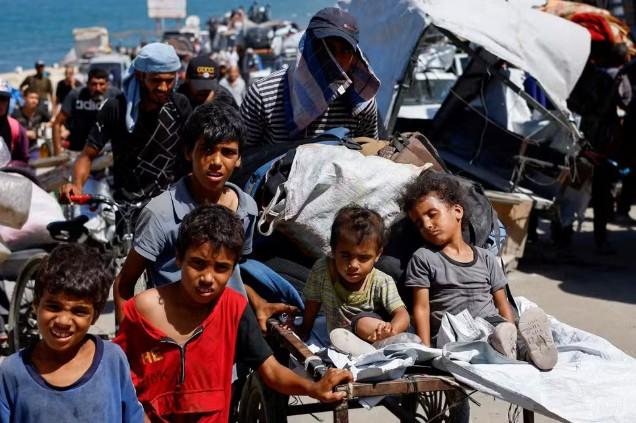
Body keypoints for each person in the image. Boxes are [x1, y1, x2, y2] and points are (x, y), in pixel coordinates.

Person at [114, 205, 352, 421]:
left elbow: (270, 371)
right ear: (179, 258)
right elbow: (116, 379)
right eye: (198, 264)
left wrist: (313, 388)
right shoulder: (142, 310)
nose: (207, 278)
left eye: (221, 268)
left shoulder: (234, 308)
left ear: (234, 268)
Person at [400, 171, 557, 371]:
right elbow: (421, 308)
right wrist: (426, 347)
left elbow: (502, 303)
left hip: (492, 323)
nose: (427, 225)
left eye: (432, 214)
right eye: (419, 223)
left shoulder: (486, 258)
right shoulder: (424, 258)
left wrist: (512, 330)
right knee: (482, 339)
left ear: (457, 211)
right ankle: (506, 348)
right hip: (456, 330)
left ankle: (528, 348)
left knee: (501, 330)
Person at [0, 244, 144, 422]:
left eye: (79, 311)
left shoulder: (112, 360)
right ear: (36, 305)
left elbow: (133, 416)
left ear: (95, 316)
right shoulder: (12, 372)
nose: (63, 321)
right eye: (53, 307)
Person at [59, 42, 192, 204]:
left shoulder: (180, 105)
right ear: (140, 76)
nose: (163, 87)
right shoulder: (116, 108)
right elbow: (87, 156)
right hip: (129, 207)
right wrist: (76, 186)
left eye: (169, 81)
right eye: (156, 80)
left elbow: (193, 150)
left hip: (173, 203)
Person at [240, 7, 380, 149]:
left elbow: (369, 153)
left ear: (354, 55)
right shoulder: (263, 95)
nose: (336, 60)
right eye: (327, 49)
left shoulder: (361, 103)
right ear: (309, 46)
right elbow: (240, 154)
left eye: (345, 50)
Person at [299, 206, 409, 345]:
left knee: (361, 323)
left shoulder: (381, 281)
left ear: (377, 255)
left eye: (363, 258)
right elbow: (312, 302)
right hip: (340, 341)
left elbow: (401, 313)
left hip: (374, 339)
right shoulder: (323, 270)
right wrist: (305, 330)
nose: (353, 265)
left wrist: (392, 330)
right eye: (345, 256)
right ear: (333, 250)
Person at [52, 68, 118, 155]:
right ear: (88, 84)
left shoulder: (115, 96)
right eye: (94, 84)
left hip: (106, 149)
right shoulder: (75, 95)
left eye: (101, 84)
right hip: (78, 148)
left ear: (107, 84)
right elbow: (57, 123)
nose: (97, 88)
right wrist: (57, 153)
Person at [0, 80, 29, 168]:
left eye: (3, 99)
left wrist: (12, 165)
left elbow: (23, 159)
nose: (0, 104)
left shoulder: (14, 127)